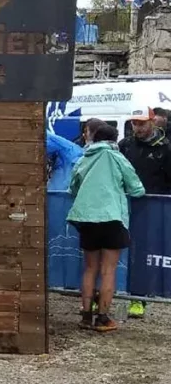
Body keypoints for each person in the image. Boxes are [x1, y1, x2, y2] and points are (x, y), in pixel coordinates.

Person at [67, 122, 146, 332]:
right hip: (112, 218)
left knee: (90, 268)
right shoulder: (117, 157)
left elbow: (72, 187)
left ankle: (86, 316)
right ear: (113, 140)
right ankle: (102, 319)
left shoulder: (84, 158)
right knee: (108, 270)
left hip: (86, 218)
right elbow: (137, 188)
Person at [118, 108, 171, 318]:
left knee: (142, 253)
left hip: (152, 208)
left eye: (141, 123)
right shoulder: (125, 145)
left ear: (152, 122)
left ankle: (138, 298)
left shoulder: (165, 148)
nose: (137, 128)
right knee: (113, 249)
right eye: (134, 123)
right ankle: (99, 296)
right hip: (124, 205)